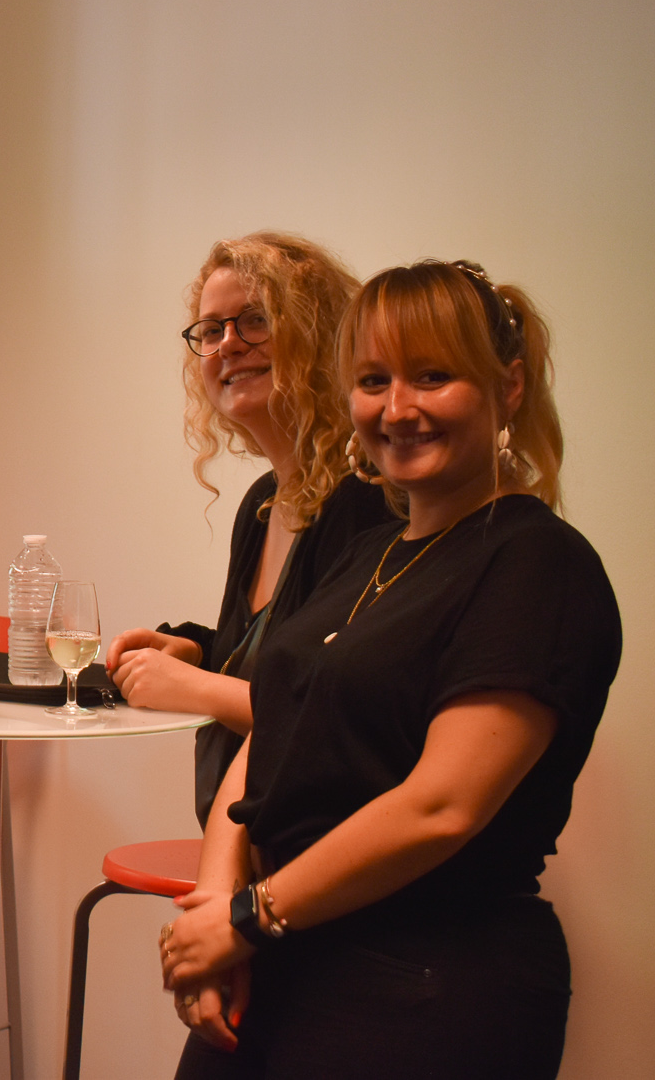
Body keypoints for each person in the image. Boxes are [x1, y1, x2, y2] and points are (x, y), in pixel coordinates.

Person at [160, 260, 620, 1079]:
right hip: (284, 952)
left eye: (433, 376)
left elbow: (442, 805)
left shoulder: (537, 562)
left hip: (426, 973)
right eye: (374, 381)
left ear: (509, 386)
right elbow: (273, 731)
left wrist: (248, 917)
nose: (398, 408)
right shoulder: (366, 556)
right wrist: (217, 901)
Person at [106, 233, 397, 825]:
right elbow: (281, 659)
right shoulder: (263, 502)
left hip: (320, 847)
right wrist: (197, 650)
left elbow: (339, 712)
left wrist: (191, 686)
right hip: (247, 839)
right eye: (212, 330)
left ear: (320, 335)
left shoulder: (370, 499)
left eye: (256, 320)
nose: (229, 344)